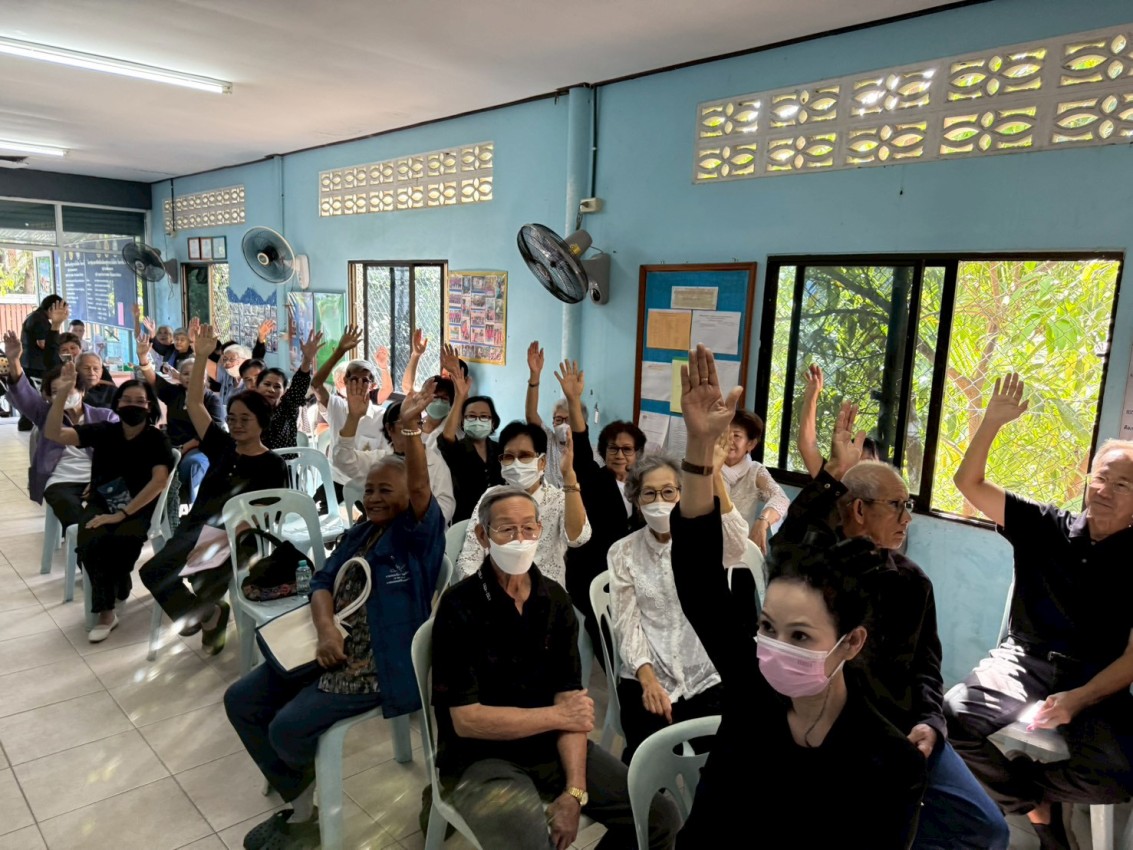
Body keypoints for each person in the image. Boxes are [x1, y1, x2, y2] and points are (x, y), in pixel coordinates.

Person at [670, 344, 926, 848]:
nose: (775, 647)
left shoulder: (890, 762)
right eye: (767, 628)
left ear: (852, 642)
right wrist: (700, 448)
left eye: (801, 636)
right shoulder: (753, 690)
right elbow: (697, 579)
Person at [778, 399, 1007, 849]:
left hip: (907, 731)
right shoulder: (819, 573)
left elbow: (927, 668)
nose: (907, 518)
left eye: (909, 505)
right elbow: (788, 543)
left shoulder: (912, 582)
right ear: (859, 510)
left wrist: (931, 723)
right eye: (896, 506)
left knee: (986, 828)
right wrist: (832, 474)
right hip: (840, 735)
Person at [225, 382, 445, 849]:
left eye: (386, 490)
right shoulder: (360, 532)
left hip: (375, 665)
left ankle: (303, 814)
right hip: (323, 647)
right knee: (241, 700)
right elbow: (322, 581)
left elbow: (420, 485)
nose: (374, 498)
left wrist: (409, 429)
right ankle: (298, 791)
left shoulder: (417, 538)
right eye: (370, 490)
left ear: (410, 498)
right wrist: (326, 630)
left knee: (287, 727)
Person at [431, 485, 680, 850]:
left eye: (528, 528)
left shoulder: (555, 600)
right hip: (481, 759)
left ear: (540, 530)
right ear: (483, 536)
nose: (520, 538)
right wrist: (558, 716)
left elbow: (571, 702)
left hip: (550, 748)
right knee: (531, 841)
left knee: (659, 816)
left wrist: (575, 791)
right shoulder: (459, 606)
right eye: (507, 529)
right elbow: (467, 720)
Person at [944, 374, 1133, 850]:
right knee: (951, 717)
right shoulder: (1046, 525)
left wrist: (1080, 698)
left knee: (1122, 773)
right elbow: (968, 483)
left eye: (1122, 484)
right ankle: (1037, 811)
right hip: (1023, 661)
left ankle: (1033, 788)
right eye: (1100, 478)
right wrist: (990, 423)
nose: (1105, 490)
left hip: (1095, 677)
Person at [140, 325, 288, 654]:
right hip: (196, 527)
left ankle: (209, 611)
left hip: (237, 539)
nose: (236, 424)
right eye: (232, 418)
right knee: (153, 571)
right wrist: (202, 357)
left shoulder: (273, 465)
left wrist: (218, 541)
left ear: (262, 423)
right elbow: (194, 402)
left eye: (245, 419)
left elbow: (265, 518)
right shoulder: (222, 444)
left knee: (203, 577)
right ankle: (208, 614)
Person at [607, 450, 745, 763]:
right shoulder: (622, 552)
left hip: (705, 674)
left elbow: (738, 545)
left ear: (682, 494)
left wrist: (715, 477)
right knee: (647, 758)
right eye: (649, 493)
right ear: (637, 500)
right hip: (648, 673)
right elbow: (627, 624)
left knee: (727, 758)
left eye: (668, 491)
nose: (660, 501)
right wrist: (648, 680)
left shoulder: (702, 541)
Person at [44, 365, 174, 643]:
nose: (133, 406)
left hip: (139, 506)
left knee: (123, 539)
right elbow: (55, 434)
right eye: (127, 400)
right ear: (116, 404)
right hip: (102, 501)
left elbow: (159, 481)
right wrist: (62, 394)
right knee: (91, 538)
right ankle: (106, 612)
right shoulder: (104, 430)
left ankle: (119, 581)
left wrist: (123, 514)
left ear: (149, 406)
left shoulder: (157, 439)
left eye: (140, 401)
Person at [557, 358, 646, 659]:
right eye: (612, 448)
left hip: (631, 574)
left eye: (627, 449)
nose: (619, 455)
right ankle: (615, 667)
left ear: (638, 454)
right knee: (610, 634)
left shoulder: (646, 488)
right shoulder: (594, 479)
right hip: (593, 573)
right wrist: (574, 400)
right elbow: (581, 446)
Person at [2, 331, 118, 534]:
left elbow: (119, 450)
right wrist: (14, 360)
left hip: (97, 476)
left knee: (108, 511)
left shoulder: (104, 416)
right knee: (73, 515)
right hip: (61, 479)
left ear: (82, 391)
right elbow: (24, 393)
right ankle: (84, 540)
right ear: (47, 397)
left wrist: (99, 479)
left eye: (69, 389)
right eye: (56, 392)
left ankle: (90, 541)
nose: (63, 395)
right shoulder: (45, 414)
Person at [455, 421, 590, 587]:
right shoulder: (492, 497)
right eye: (508, 457)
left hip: (544, 592)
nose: (516, 464)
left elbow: (578, 539)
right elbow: (470, 557)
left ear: (542, 462)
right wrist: (479, 593)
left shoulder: (558, 499)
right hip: (495, 591)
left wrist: (569, 475)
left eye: (525, 456)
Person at [333, 380, 457, 524]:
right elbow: (343, 459)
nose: (412, 429)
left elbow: (445, 508)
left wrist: (414, 524)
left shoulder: (434, 462)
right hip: (382, 532)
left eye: (417, 423)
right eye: (405, 423)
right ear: (389, 428)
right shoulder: (378, 461)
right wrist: (353, 418)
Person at [137, 340, 226, 505]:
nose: (190, 377)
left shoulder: (211, 399)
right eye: (185, 373)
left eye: (195, 373)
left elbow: (215, 432)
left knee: (193, 464)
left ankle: (188, 506)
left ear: (204, 377)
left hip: (199, 449)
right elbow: (153, 379)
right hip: (171, 445)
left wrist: (184, 448)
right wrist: (143, 357)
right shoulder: (174, 393)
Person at [311, 327, 392, 494]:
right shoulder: (336, 406)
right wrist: (340, 351)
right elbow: (316, 385)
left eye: (364, 381)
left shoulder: (382, 416)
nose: (358, 385)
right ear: (345, 382)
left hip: (367, 484)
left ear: (373, 386)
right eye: (354, 379)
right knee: (313, 508)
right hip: (336, 481)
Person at [437, 344, 503, 522]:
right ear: (463, 421)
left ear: (493, 422)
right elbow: (447, 436)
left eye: (484, 416)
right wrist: (459, 395)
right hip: (465, 521)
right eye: (472, 416)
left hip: (497, 518)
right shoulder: (457, 450)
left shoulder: (500, 450)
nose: (478, 420)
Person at [525, 340, 595, 489]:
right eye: (558, 419)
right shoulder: (549, 440)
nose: (563, 424)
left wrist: (573, 398)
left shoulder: (583, 449)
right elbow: (531, 415)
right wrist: (534, 376)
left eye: (568, 420)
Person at [722, 408, 788, 554]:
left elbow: (781, 498)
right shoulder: (708, 466)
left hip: (739, 551)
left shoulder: (755, 471)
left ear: (750, 444)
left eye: (736, 435)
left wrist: (763, 520)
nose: (729, 440)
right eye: (724, 433)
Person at [255, 330, 321, 450]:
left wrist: (307, 359)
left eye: (277, 386)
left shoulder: (287, 407)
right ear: (257, 386)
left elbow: (299, 384)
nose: (271, 389)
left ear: (284, 391)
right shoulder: (247, 408)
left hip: (285, 461)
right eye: (267, 384)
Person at [17, 294, 64, 430]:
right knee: (37, 393)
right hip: (37, 364)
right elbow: (42, 343)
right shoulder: (40, 320)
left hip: (32, 362)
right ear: (53, 308)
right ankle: (27, 421)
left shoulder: (35, 316)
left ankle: (26, 421)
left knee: (32, 392)